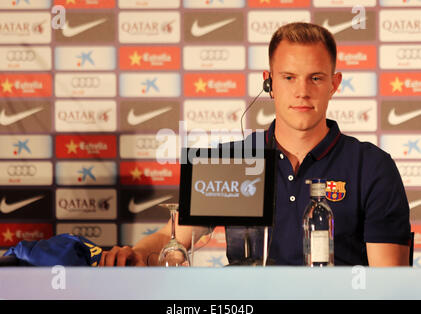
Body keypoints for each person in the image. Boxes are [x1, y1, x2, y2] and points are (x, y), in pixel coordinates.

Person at [100, 22, 411, 267]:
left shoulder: (372, 166)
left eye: (315, 78)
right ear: (269, 82)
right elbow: (175, 237)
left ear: (335, 83)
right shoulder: (232, 159)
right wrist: (137, 252)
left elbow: (386, 282)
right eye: (288, 77)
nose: (302, 92)